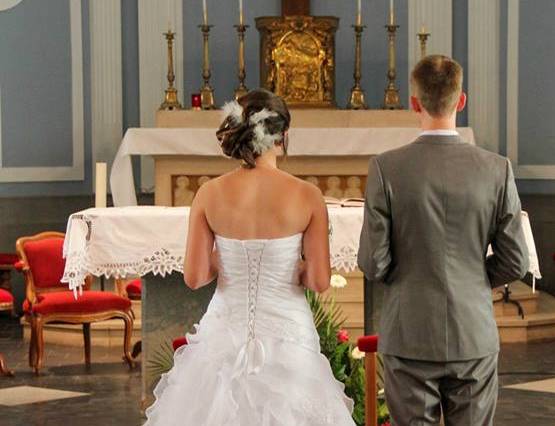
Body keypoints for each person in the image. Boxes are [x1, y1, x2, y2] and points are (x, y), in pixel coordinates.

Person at [145, 89, 354, 425]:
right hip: (289, 332)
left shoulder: (208, 194)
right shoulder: (307, 195)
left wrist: (228, 257)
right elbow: (318, 281)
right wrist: (290, 264)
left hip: (224, 331)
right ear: (283, 136)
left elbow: (195, 277)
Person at [358, 55, 529, 426]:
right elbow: (516, 260)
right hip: (473, 331)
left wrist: (409, 279)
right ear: (461, 100)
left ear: (414, 103)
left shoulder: (386, 168)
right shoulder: (497, 169)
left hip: (409, 332)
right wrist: (473, 278)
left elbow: (374, 263)